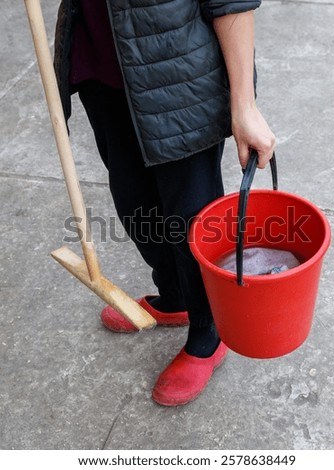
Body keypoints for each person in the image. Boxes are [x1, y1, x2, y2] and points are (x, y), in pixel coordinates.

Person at [54, 0, 276, 406]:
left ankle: (208, 334)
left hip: (176, 78)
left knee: (191, 220)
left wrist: (244, 104)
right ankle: (174, 298)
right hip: (101, 67)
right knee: (135, 207)